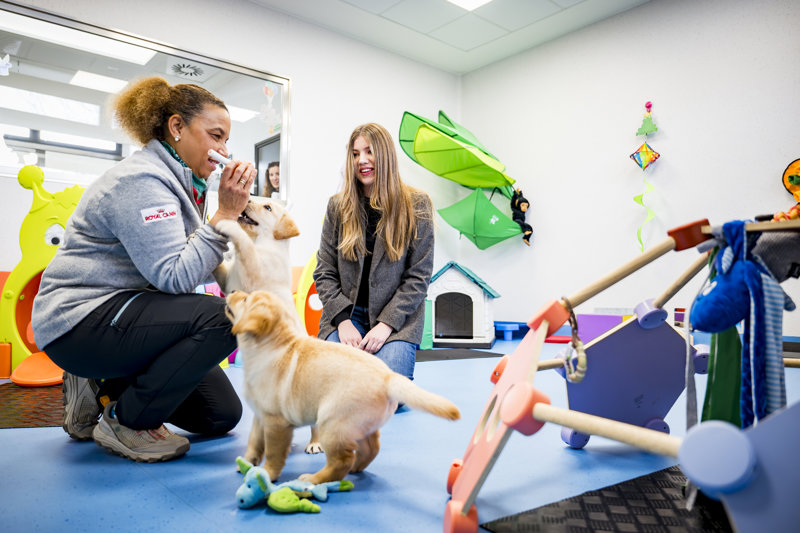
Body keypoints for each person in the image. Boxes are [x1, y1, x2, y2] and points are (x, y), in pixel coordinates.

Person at [31, 76, 256, 462]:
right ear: (177, 127)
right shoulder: (141, 181)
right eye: (216, 136)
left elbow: (189, 262)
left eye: (226, 141)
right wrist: (225, 217)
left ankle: (105, 389)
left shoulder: (182, 183)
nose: (223, 149)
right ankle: (125, 420)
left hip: (125, 313)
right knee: (227, 317)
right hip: (79, 321)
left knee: (221, 414)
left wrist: (233, 238)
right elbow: (174, 277)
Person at [313, 123, 434, 381]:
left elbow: (418, 277)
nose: (362, 160)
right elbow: (324, 271)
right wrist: (343, 322)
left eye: (369, 152)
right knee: (330, 383)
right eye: (355, 154)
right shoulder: (337, 206)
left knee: (389, 393)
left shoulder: (417, 204)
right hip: (346, 315)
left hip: (396, 319)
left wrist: (386, 325)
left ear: (385, 154)